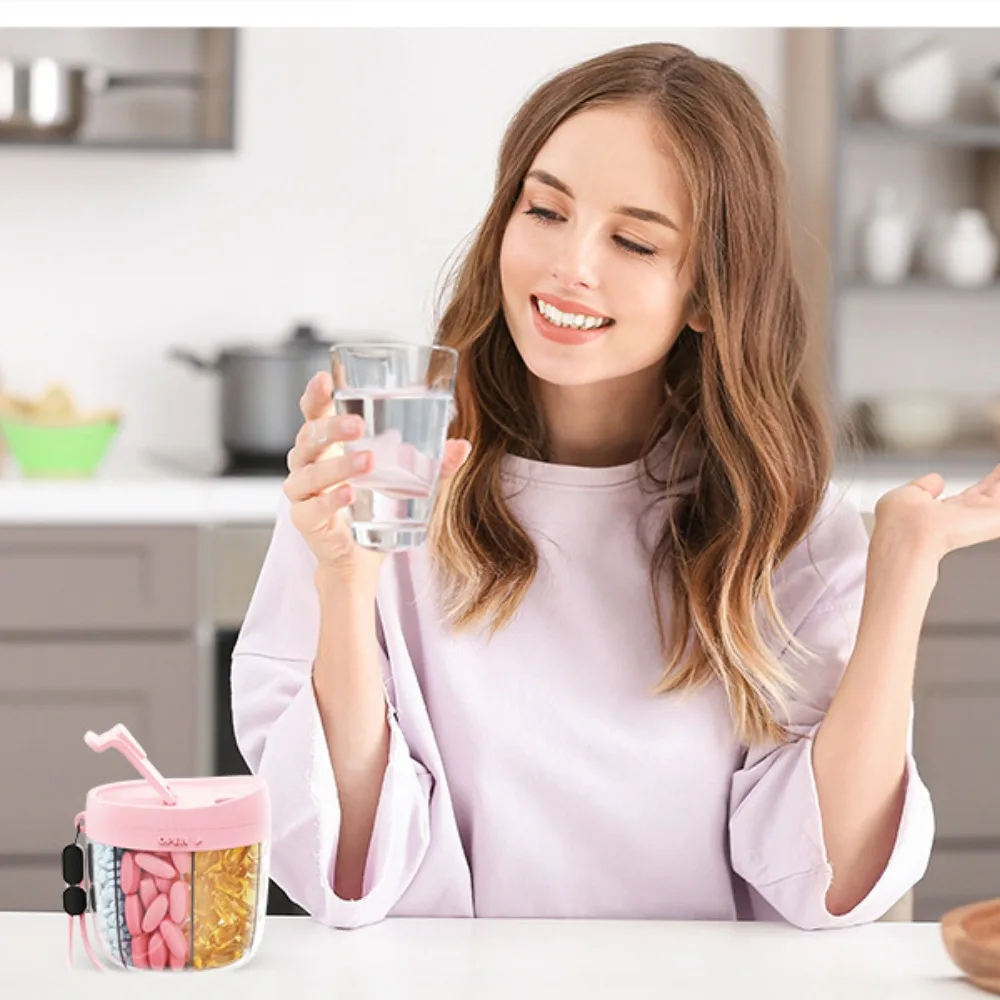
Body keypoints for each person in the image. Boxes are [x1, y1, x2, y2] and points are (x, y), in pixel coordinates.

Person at [231, 41, 1000, 931]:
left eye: (634, 239)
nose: (571, 265)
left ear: (711, 293)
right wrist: (345, 580)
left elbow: (828, 881)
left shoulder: (779, 521)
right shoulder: (380, 480)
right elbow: (347, 868)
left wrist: (902, 571)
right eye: (545, 210)